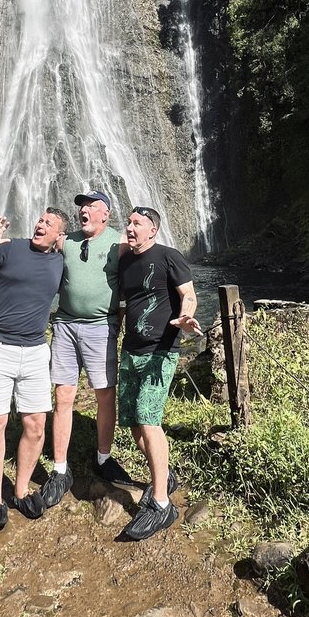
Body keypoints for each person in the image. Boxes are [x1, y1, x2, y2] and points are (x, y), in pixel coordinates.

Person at [0, 208, 69, 534]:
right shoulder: (10, 248)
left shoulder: (62, 260)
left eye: (49, 224)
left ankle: (21, 490)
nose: (40, 225)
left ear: (58, 236)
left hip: (36, 351)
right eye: (40, 220)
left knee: (35, 425)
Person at [39, 190, 132, 508]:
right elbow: (36, 253)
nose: (84, 210)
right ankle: (60, 469)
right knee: (62, 397)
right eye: (81, 206)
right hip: (64, 326)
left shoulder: (120, 243)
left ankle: (103, 458)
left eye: (91, 206)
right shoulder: (65, 241)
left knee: (105, 395)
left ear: (105, 214)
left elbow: (149, 267)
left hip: (101, 328)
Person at [117, 205, 201, 540]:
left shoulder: (169, 256)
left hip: (159, 352)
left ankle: (162, 504)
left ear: (154, 229)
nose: (130, 226)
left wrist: (186, 316)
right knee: (136, 424)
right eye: (128, 222)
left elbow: (189, 294)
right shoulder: (126, 261)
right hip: (130, 351)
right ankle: (163, 475)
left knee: (149, 422)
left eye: (137, 223)